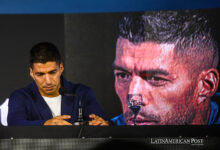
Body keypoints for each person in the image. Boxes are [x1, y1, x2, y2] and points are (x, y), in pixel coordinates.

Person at [111, 10, 220, 125]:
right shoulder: (107, 132)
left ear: (205, 86)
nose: (133, 101)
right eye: (123, 75)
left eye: (156, 79)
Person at [8, 42, 108, 126]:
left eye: (52, 72)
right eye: (40, 74)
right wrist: (46, 124)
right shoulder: (20, 97)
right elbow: (15, 125)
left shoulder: (81, 93)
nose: (48, 81)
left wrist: (103, 125)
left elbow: (105, 124)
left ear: (61, 68)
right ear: (31, 73)